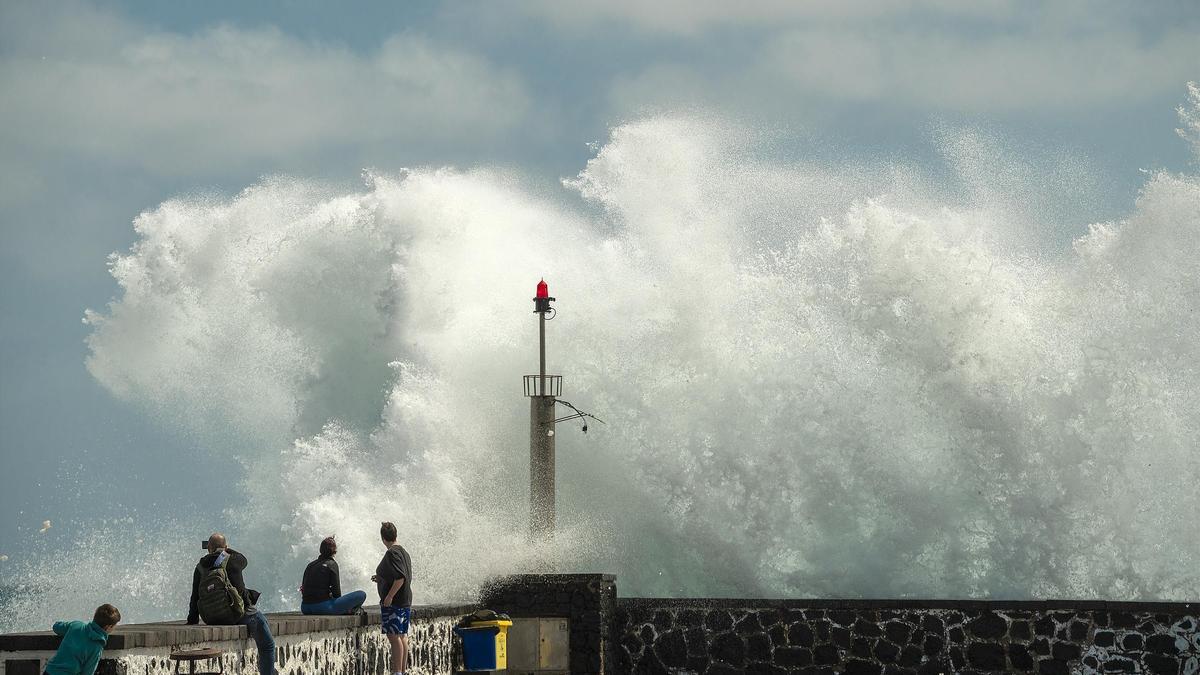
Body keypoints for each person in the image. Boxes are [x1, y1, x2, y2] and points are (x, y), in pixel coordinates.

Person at [187, 533, 276, 675]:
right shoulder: (233, 559)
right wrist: (227, 550)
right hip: (238, 615)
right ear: (225, 547)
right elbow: (244, 560)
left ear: (208, 547)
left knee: (260, 619)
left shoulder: (200, 567)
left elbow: (195, 597)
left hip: (212, 617)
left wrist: (192, 620)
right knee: (268, 645)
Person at [371, 521, 413, 675]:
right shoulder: (404, 552)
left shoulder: (392, 553)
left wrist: (389, 596)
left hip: (395, 602)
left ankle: (397, 672)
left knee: (394, 636)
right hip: (405, 599)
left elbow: (400, 578)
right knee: (401, 635)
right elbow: (400, 574)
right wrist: (381, 578)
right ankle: (401, 671)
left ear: (383, 538)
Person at [43, 604, 121, 675]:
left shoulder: (76, 625)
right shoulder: (97, 645)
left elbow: (56, 627)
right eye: (114, 626)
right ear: (108, 627)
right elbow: (87, 672)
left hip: (50, 671)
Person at [300, 536, 367, 615]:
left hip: (305, 607)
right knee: (361, 594)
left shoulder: (310, 565)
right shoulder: (332, 564)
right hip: (322, 607)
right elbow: (337, 593)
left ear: (321, 549)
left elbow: (303, 588)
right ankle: (350, 610)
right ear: (334, 551)